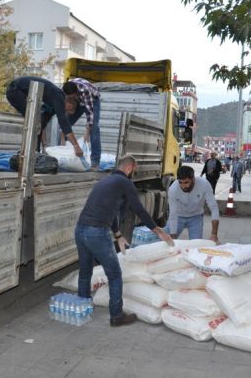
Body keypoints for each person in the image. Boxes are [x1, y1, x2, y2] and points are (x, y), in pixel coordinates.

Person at [75, 154, 174, 326]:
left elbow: (111, 211)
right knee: (114, 275)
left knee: (85, 271)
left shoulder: (106, 181)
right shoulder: (124, 183)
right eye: (133, 171)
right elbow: (139, 210)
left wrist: (118, 235)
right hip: (97, 232)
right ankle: (116, 315)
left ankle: (83, 307)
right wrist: (158, 232)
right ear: (130, 168)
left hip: (81, 230)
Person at [5, 76, 83, 156]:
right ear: (69, 105)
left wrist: (44, 146)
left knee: (37, 122)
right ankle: (29, 153)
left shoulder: (52, 104)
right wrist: (76, 146)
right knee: (34, 120)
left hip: (17, 91)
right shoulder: (59, 97)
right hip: (15, 90)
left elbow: (43, 124)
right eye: (68, 112)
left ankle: (35, 152)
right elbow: (64, 123)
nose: (66, 113)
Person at [166, 165, 220, 242]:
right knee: (166, 242)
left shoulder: (204, 184)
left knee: (195, 246)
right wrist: (173, 239)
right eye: (180, 182)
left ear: (193, 179)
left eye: (186, 182)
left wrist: (214, 234)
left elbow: (214, 208)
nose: (183, 186)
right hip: (178, 216)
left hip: (196, 217)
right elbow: (173, 214)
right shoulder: (173, 189)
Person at [62, 78, 101, 170]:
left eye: (72, 97)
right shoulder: (63, 91)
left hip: (93, 100)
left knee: (94, 130)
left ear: (76, 93)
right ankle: (62, 156)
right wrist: (62, 139)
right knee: (64, 125)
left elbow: (90, 114)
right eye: (69, 97)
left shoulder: (85, 90)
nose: (70, 98)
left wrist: (87, 132)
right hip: (78, 101)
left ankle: (95, 162)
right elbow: (63, 116)